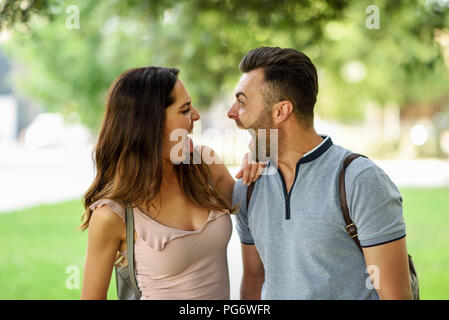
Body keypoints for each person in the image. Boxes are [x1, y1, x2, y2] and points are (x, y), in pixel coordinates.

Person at [228, 47, 413, 300]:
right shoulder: (248, 187)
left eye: (241, 101)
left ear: (281, 111)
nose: (232, 112)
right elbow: (253, 282)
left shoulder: (359, 180)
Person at [79, 66, 264, 300]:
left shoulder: (205, 167)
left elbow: (258, 212)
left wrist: (259, 157)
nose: (196, 116)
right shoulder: (112, 214)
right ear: (150, 123)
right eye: (185, 109)